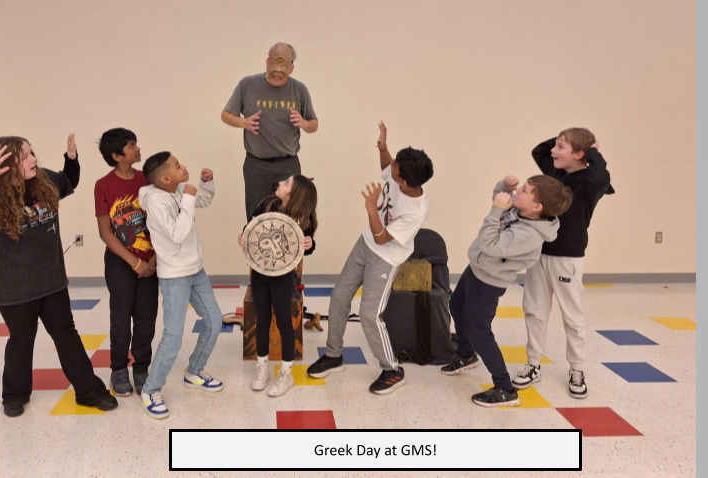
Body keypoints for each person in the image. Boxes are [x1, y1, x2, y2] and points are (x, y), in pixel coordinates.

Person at [0, 135, 118, 418]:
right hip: (11, 286)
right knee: (22, 338)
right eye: (24, 156)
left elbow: (69, 181)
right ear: (6, 164)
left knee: (65, 333)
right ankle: (14, 394)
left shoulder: (43, 181)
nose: (33, 159)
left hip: (50, 280)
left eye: (32, 153)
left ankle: (90, 391)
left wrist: (71, 158)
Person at [306, 122, 433, 396]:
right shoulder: (402, 175)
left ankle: (392, 369)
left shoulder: (416, 211)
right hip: (364, 245)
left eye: (396, 166)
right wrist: (384, 147)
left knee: (369, 315)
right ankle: (333, 355)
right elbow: (387, 166)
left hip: (385, 258)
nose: (392, 166)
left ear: (404, 181)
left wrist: (371, 208)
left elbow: (382, 238)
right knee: (339, 296)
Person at [441, 176, 571, 407]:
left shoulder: (529, 235)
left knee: (478, 331)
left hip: (490, 282)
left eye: (524, 190)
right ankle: (465, 354)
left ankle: (504, 388)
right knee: (456, 308)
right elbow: (499, 199)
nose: (517, 192)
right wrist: (503, 187)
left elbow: (489, 244)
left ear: (537, 207)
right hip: (476, 269)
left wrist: (494, 211)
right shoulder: (521, 211)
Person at [516, 128, 613, 398]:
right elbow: (539, 150)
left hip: (568, 259)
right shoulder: (556, 173)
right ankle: (533, 364)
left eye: (560, 148)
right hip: (539, 254)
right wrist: (567, 136)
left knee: (572, 316)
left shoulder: (590, 183)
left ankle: (577, 369)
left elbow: (601, 175)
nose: (553, 152)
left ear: (580, 155)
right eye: (556, 146)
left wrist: (592, 149)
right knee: (534, 310)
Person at [136, 152, 225, 420]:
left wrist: (205, 183)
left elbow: (203, 200)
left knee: (214, 320)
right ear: (165, 178)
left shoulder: (176, 192)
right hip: (174, 276)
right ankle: (151, 390)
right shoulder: (156, 203)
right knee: (173, 336)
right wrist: (187, 197)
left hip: (195, 269)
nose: (183, 166)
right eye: (177, 166)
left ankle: (194, 372)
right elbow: (177, 233)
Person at [91, 128, 158, 396]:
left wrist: (152, 257)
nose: (138, 148)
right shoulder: (103, 185)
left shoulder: (148, 180)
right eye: (132, 146)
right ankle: (118, 369)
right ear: (117, 155)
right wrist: (134, 262)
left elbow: (160, 220)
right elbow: (105, 232)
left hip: (151, 261)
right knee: (120, 319)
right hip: (121, 262)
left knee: (146, 319)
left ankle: (142, 369)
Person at [240, 174, 318, 397]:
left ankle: (286, 373)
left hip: (284, 278)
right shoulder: (267, 205)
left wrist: (309, 243)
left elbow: (308, 247)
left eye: (285, 183)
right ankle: (262, 367)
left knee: (285, 323)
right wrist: (243, 236)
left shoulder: (304, 220)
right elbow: (250, 228)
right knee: (261, 320)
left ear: (293, 195)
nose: (279, 183)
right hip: (259, 273)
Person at [222, 42, 319, 219]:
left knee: (290, 216)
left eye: (283, 72)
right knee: (256, 217)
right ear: (267, 63)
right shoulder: (247, 85)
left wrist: (304, 123)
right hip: (256, 165)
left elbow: (314, 124)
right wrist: (244, 123)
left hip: (288, 164)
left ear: (291, 69)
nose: (277, 75)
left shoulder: (299, 90)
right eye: (274, 69)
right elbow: (226, 115)